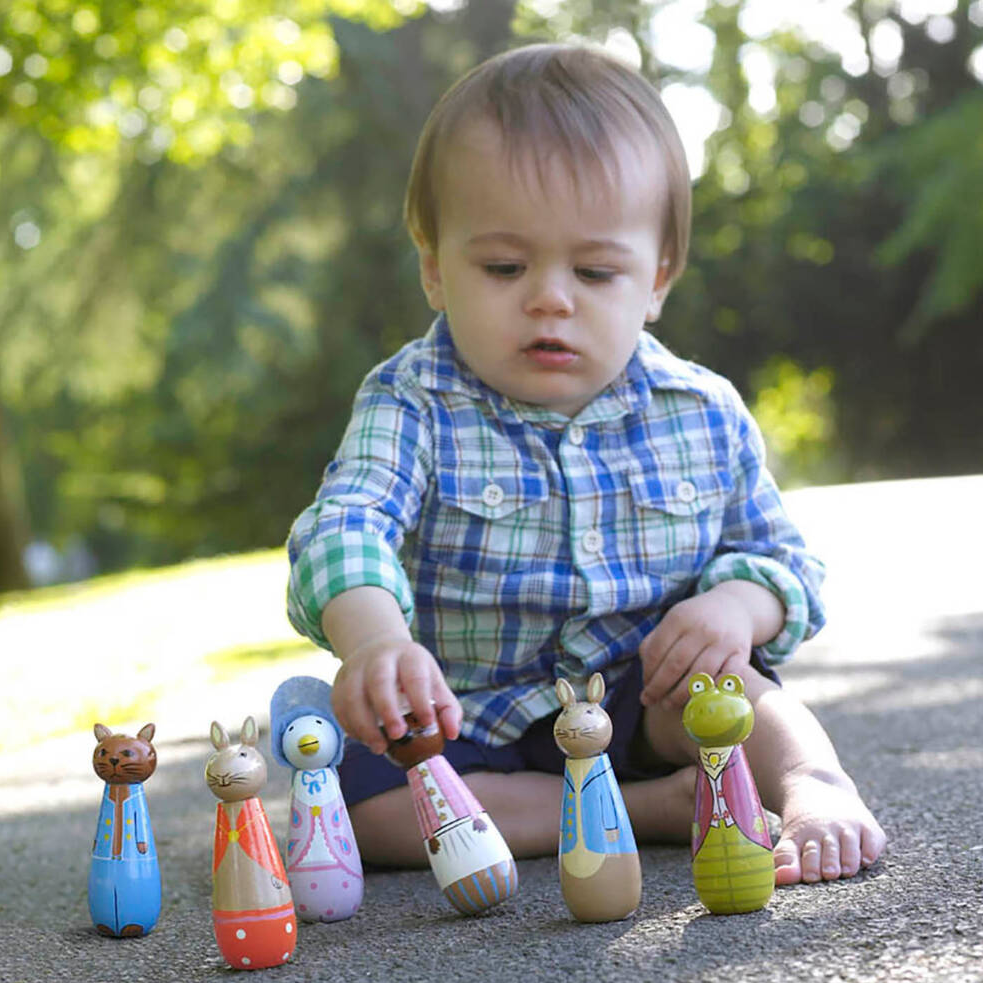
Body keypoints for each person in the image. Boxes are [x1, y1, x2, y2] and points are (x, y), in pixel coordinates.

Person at [286, 43, 885, 885]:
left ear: (656, 281)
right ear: (433, 266)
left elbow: (787, 563)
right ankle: (658, 810)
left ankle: (815, 786)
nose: (550, 298)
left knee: (732, 686)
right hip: (467, 714)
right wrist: (377, 641)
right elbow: (348, 524)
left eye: (597, 270)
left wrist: (734, 607)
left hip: (648, 702)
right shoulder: (411, 401)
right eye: (503, 267)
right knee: (359, 807)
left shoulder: (700, 411)